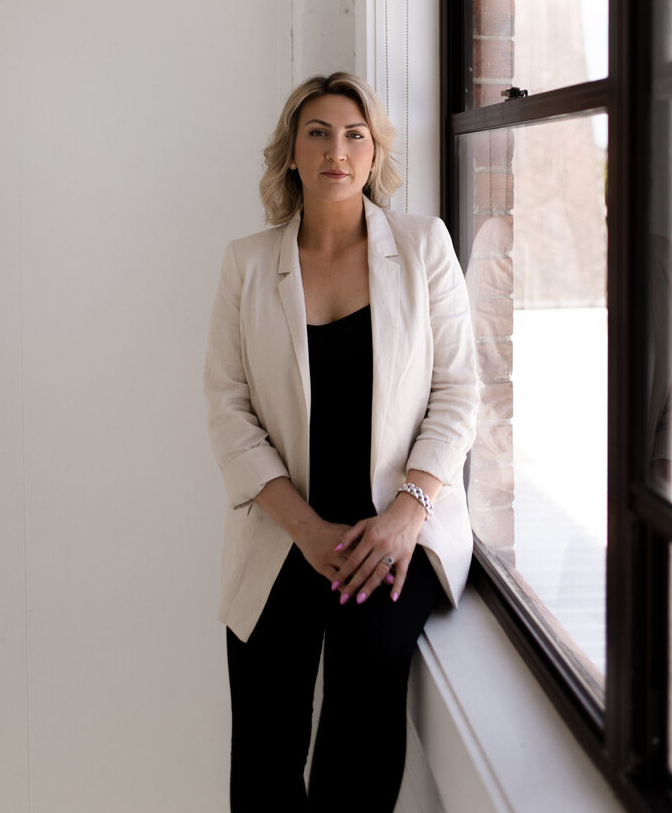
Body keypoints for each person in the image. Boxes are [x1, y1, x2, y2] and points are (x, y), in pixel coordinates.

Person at [204, 71, 479, 812]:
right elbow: (228, 408)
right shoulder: (249, 263)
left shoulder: (423, 247)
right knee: (264, 740)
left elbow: (459, 391)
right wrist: (306, 530)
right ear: (291, 153)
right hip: (284, 527)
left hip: (393, 529)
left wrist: (407, 514)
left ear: (374, 151)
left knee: (364, 697)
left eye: (355, 134)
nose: (337, 149)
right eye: (318, 132)